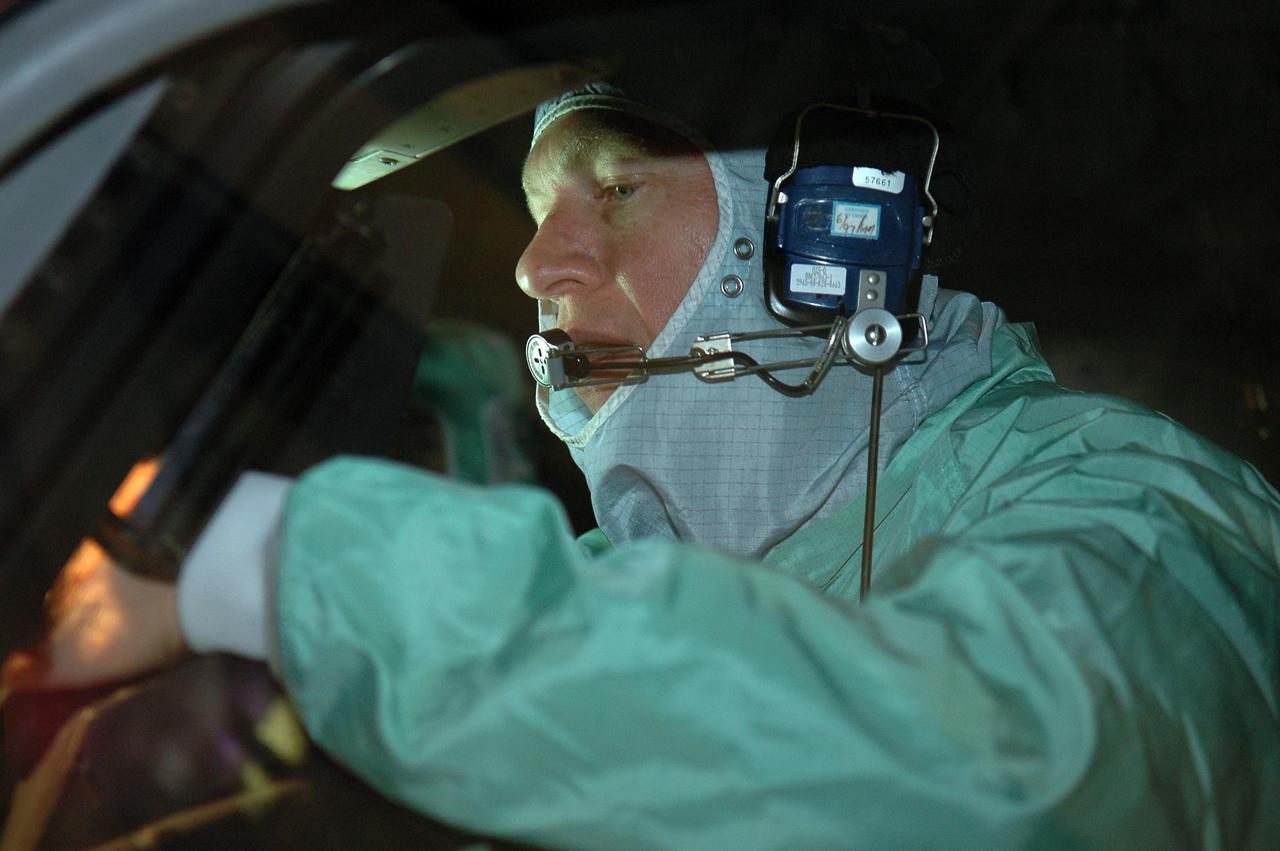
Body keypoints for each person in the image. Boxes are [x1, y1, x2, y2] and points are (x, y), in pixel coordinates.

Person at [5, 84, 1280, 849]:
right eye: (541, 218)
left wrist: (269, 562)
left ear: (827, 239)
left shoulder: (1131, 499)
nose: (538, 265)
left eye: (612, 190)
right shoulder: (596, 602)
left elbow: (1001, 776)